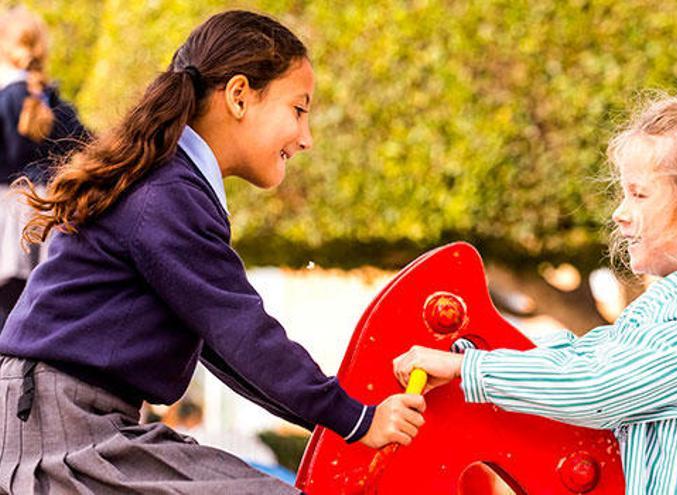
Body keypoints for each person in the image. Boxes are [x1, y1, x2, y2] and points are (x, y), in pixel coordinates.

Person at [0, 10, 424, 494]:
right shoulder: (167, 195)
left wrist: (344, 420)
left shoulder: (168, 185)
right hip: (63, 434)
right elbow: (242, 330)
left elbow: (227, 349)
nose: (306, 139)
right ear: (240, 96)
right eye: (299, 110)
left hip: (74, 422)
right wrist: (355, 418)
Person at [394, 95, 677, 494]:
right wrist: (475, 358)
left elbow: (594, 386)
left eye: (638, 194)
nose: (620, 213)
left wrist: (468, 367)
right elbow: (583, 359)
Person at [0, 6, 89, 325]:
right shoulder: (59, 107)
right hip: (53, 216)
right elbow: (94, 148)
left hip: (7, 227)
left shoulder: (4, 101)